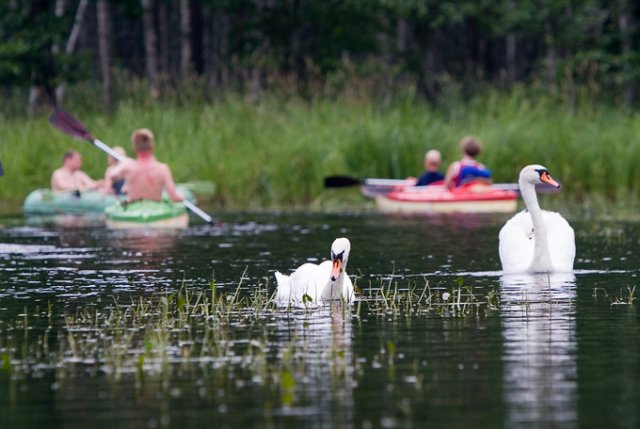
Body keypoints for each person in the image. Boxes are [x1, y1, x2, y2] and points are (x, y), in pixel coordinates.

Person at [108, 128, 183, 202]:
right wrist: (181, 198)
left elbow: (112, 175)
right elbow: (174, 197)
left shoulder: (128, 166)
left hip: (133, 210)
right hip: (155, 210)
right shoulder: (162, 169)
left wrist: (118, 164)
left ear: (134, 147)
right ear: (152, 146)